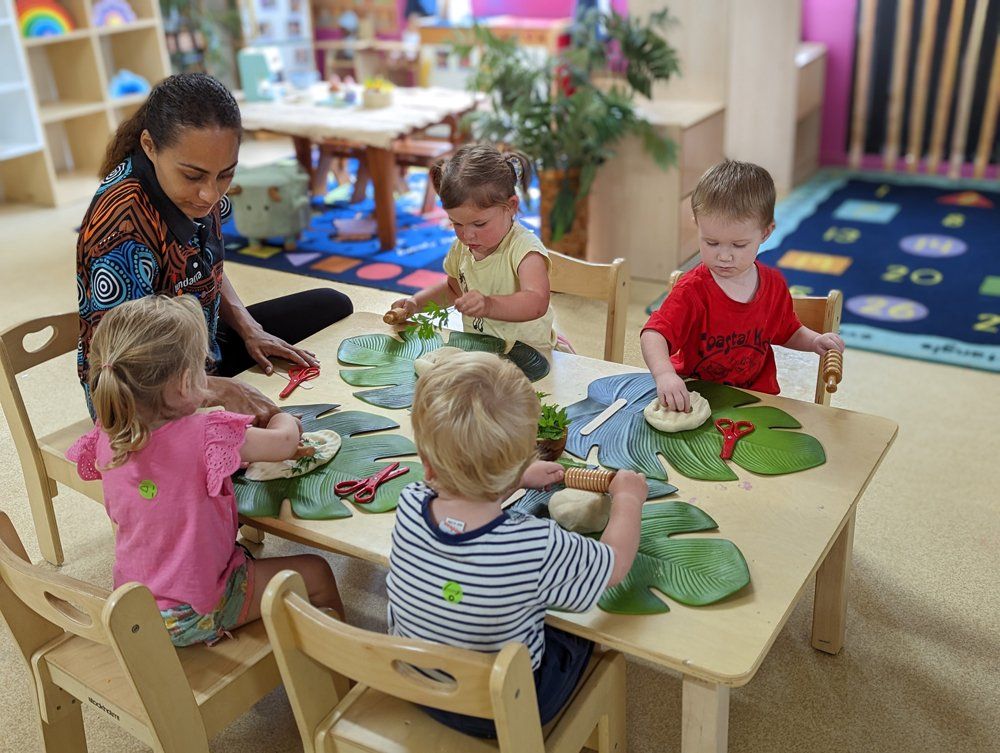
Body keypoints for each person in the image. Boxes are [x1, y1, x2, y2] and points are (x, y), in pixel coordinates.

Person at [386, 351, 647, 737]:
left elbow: (461, 484)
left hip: (416, 682)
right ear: (524, 454)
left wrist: (514, 477)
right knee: (578, 629)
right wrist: (628, 497)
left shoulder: (410, 501)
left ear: (426, 461)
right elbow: (614, 563)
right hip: (502, 708)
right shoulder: (534, 544)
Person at [77, 72, 353, 425]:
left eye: (226, 174)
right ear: (149, 146)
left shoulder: (197, 192)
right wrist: (218, 390)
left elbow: (201, 265)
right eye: (194, 176)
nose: (210, 193)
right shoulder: (122, 225)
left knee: (332, 304)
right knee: (249, 456)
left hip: (200, 351)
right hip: (139, 396)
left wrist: (249, 327)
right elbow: (124, 368)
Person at [66, 295, 343, 647]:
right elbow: (284, 444)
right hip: (198, 610)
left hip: (137, 605)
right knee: (317, 572)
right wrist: (284, 418)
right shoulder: (207, 434)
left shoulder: (107, 433)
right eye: (203, 367)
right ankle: (345, 678)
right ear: (184, 384)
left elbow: (169, 472)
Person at [641, 159, 845, 411]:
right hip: (698, 398)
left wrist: (814, 341)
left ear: (766, 233)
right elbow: (654, 334)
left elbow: (787, 330)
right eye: (711, 242)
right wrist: (664, 375)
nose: (724, 256)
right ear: (697, 224)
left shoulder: (773, 285)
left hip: (757, 401)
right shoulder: (692, 290)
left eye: (738, 245)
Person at [389, 143, 566, 353]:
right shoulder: (462, 248)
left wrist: (489, 305)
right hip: (482, 354)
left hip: (530, 356)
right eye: (456, 223)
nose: (467, 234)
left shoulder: (525, 251)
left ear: (511, 207)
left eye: (479, 224)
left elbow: (536, 302)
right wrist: (417, 304)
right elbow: (454, 290)